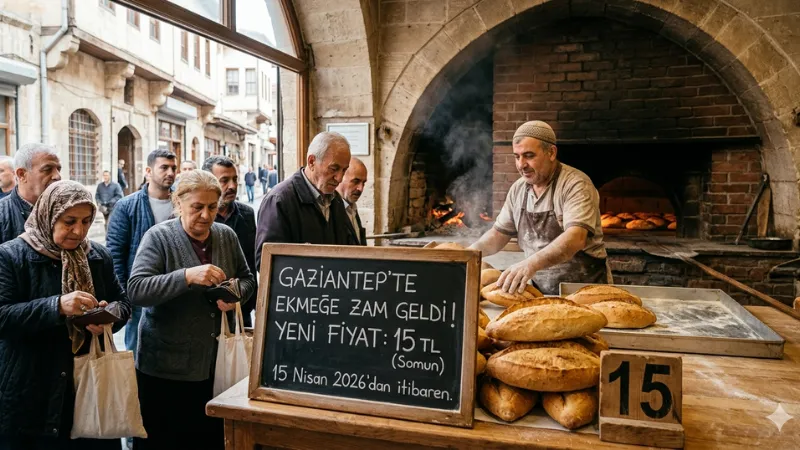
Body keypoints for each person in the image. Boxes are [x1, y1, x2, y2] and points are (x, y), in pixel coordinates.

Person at [127, 170, 255, 450]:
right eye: (197, 207)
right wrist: (185, 276)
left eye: (212, 207)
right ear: (179, 204)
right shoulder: (158, 237)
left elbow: (248, 279)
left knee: (208, 439)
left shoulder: (226, 236)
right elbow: (137, 289)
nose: (206, 216)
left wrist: (236, 295)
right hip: (165, 370)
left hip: (214, 367)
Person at [0, 180, 131, 450]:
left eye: (85, 221)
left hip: (90, 387)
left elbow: (124, 302)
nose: (79, 231)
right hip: (31, 389)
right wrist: (56, 306)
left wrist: (109, 315)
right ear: (48, 215)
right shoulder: (11, 256)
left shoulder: (97, 256)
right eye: (69, 221)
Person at [469, 121, 608, 295]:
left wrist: (530, 264)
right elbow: (498, 235)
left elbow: (576, 237)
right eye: (517, 156)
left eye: (529, 155)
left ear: (551, 152)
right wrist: (469, 255)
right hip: (542, 290)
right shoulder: (518, 189)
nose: (521, 164)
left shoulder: (576, 184)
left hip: (585, 290)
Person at [106, 149, 177, 355]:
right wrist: (122, 299)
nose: (170, 172)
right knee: (138, 351)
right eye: (164, 167)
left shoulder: (182, 203)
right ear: (148, 171)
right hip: (140, 293)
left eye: (173, 167)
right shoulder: (126, 206)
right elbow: (115, 254)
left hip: (175, 289)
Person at [255, 132, 359, 268]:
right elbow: (265, 262)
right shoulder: (279, 200)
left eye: (344, 170)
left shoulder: (336, 200)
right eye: (334, 169)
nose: (339, 178)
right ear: (311, 162)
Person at [203, 155, 258, 326]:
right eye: (224, 180)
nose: (232, 186)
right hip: (206, 312)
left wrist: (249, 301)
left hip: (241, 309)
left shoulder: (247, 214)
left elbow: (250, 263)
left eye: (235, 179)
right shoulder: (198, 219)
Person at [0, 143, 62, 244]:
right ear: (22, 174)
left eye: (58, 169)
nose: (57, 176)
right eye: (47, 169)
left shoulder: (66, 208)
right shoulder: (2, 214)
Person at [336, 157, 368, 245]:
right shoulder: (330, 210)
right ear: (340, 177)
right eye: (355, 181)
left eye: (363, 183)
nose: (360, 188)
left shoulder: (352, 208)